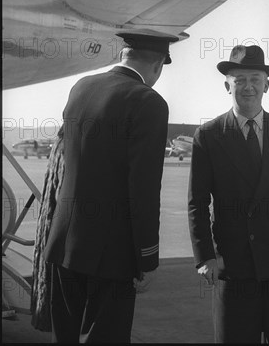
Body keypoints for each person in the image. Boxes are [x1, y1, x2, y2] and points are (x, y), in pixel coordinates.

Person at [43, 28, 179, 343]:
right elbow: (143, 188)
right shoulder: (149, 102)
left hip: (64, 243)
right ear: (158, 65)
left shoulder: (81, 88)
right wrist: (148, 257)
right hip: (111, 255)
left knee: (65, 337)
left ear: (123, 54)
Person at [188, 45, 269, 343]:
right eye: (240, 80)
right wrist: (205, 257)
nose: (248, 87)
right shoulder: (208, 136)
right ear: (227, 85)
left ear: (267, 85)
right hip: (234, 269)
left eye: (255, 79)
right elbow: (197, 201)